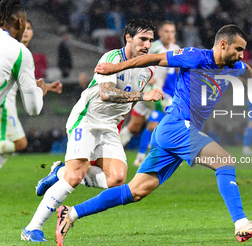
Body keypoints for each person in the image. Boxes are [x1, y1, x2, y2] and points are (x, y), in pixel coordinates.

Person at [55, 25, 252, 245]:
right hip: (176, 126)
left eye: (243, 50)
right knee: (224, 161)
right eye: (238, 49)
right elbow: (153, 59)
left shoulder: (234, 66)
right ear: (223, 44)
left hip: (170, 133)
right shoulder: (194, 56)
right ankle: (242, 225)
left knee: (135, 191)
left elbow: (247, 69)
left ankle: (71, 213)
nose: (241, 55)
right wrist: (116, 68)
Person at [21, 19, 164, 242]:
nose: (147, 45)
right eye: (142, 39)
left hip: (108, 127)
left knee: (116, 179)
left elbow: (129, 103)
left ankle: (59, 171)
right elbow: (107, 93)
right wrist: (143, 96)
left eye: (150, 40)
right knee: (75, 176)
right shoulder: (112, 58)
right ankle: (32, 228)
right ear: (128, 38)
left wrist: (120, 121)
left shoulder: (147, 70)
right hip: (86, 120)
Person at [0, 0, 62, 165]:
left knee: (19, 143)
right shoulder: (19, 52)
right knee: (18, 143)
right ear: (20, 23)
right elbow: (33, 108)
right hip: (5, 105)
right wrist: (40, 91)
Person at [119, 21, 180, 166]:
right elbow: (137, 59)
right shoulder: (153, 46)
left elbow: (178, 69)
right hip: (146, 92)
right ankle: (167, 153)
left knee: (139, 126)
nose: (170, 34)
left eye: (172, 31)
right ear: (160, 33)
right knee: (173, 117)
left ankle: (137, 156)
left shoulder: (176, 49)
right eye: (166, 31)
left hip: (157, 94)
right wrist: (145, 75)